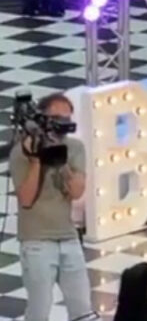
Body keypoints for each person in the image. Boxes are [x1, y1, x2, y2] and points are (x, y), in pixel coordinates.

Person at [10, 92, 96, 321]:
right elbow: (26, 199)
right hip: (36, 242)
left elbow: (76, 192)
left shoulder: (75, 148)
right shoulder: (21, 152)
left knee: (82, 307)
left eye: (67, 119)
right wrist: (37, 160)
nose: (63, 124)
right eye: (57, 118)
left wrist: (60, 160)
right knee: (40, 309)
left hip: (68, 237)